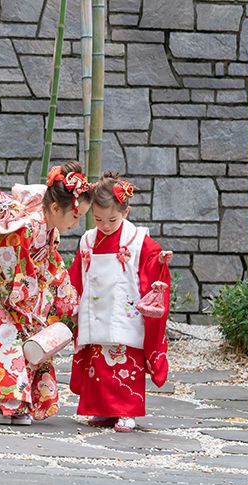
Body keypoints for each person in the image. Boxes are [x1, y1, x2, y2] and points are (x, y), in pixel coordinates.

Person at [0, 161, 90, 425]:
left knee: (25, 336)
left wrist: (67, 303)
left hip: (10, 285)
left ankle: (15, 404)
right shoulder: (25, 228)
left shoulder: (47, 229)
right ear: (54, 208)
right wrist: (28, 307)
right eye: (75, 216)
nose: (77, 223)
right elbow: (12, 274)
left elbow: (52, 270)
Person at [67, 172, 173, 432]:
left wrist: (159, 262)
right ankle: (103, 410)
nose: (104, 224)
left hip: (125, 310)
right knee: (99, 364)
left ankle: (127, 411)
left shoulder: (137, 240)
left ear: (126, 211)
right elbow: (77, 272)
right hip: (96, 308)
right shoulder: (88, 240)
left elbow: (151, 260)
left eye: (111, 219)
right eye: (99, 218)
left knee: (124, 363)